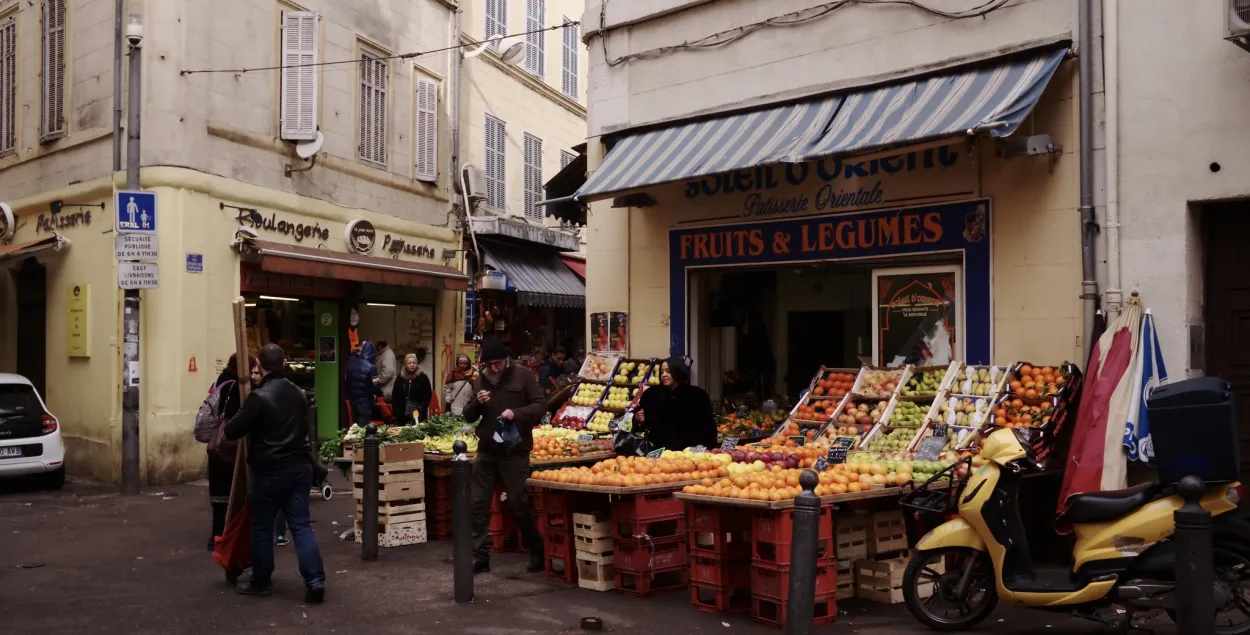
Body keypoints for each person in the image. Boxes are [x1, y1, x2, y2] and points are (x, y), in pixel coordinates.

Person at [224, 343, 326, 602]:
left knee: (262, 528)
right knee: (301, 526)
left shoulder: (258, 398)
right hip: (299, 467)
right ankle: (315, 580)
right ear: (283, 365)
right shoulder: (299, 393)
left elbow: (232, 430)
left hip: (269, 470)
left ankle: (261, 580)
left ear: (259, 366)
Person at [462, 339, 545, 575]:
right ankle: (480, 556)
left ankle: (536, 550)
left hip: (514, 450)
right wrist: (477, 403)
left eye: (497, 363)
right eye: (489, 364)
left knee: (518, 503)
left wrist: (517, 413)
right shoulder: (480, 379)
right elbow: (467, 416)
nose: (494, 368)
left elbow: (541, 405)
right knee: (477, 503)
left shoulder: (523, 376)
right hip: (487, 450)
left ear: (505, 359)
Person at [206, 353, 258, 551]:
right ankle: (230, 538)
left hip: (217, 446)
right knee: (236, 493)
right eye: (253, 369)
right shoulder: (238, 387)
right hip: (232, 446)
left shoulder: (219, 382)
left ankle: (215, 536)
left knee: (219, 496)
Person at [636, 357, 717, 451]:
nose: (664, 375)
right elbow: (644, 423)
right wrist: (641, 419)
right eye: (662, 372)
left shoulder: (697, 395)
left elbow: (707, 426)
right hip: (659, 451)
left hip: (690, 451)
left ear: (678, 372)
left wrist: (708, 448)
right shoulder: (651, 395)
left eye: (668, 371)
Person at [344, 341, 381, 427]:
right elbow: (376, 386)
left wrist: (350, 396)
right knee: (363, 428)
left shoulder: (351, 363)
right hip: (366, 402)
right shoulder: (372, 367)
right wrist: (378, 394)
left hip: (354, 402)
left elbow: (346, 383)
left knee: (355, 428)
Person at [391, 354, 433, 424]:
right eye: (409, 363)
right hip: (402, 414)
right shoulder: (400, 378)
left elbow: (427, 395)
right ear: (405, 364)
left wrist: (423, 408)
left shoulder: (423, 378)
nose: (412, 365)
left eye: (414, 363)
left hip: (418, 413)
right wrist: (396, 411)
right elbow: (395, 396)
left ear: (417, 364)